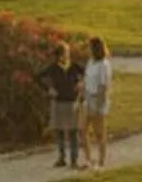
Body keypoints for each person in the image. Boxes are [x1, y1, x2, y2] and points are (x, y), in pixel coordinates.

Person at [45, 41, 85, 169]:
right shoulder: (53, 68)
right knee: (60, 131)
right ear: (59, 55)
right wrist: (49, 88)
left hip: (72, 102)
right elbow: (38, 76)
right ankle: (62, 158)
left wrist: (82, 83)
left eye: (67, 52)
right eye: (65, 53)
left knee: (73, 132)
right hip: (59, 102)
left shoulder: (74, 66)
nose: (67, 55)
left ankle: (74, 160)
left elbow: (87, 73)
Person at [82, 36, 113, 169]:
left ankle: (102, 160)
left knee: (99, 132)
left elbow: (103, 85)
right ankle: (88, 159)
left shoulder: (103, 65)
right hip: (88, 97)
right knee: (82, 129)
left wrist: (99, 104)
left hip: (98, 98)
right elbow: (86, 80)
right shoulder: (91, 62)